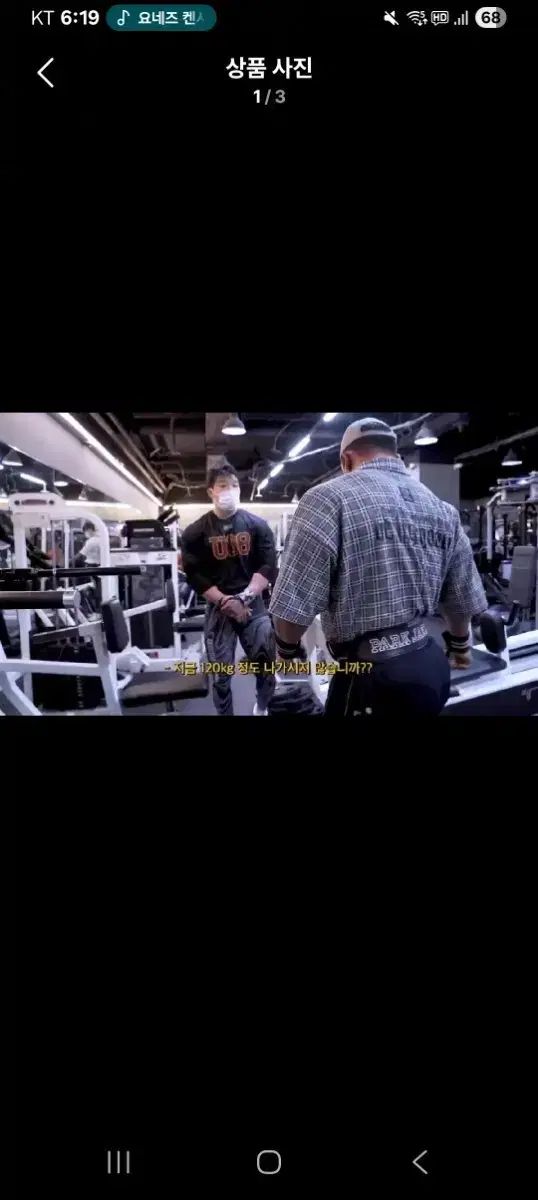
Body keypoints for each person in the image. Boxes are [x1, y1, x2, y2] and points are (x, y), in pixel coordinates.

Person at [269, 417, 489, 717]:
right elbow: (461, 600)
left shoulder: (327, 498)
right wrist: (460, 648)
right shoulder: (442, 509)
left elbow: (293, 604)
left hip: (371, 680)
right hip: (429, 665)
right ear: (395, 454)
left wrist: (287, 653)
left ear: (346, 460)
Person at [182, 465, 277, 715]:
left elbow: (268, 566)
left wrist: (243, 598)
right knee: (220, 676)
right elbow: (194, 574)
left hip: (253, 605)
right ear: (210, 491)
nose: (230, 490)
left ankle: (262, 708)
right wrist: (225, 601)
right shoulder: (195, 532)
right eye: (223, 485)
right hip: (219, 608)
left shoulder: (257, 526)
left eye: (234, 485)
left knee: (266, 667)